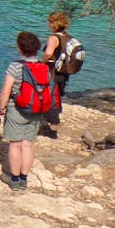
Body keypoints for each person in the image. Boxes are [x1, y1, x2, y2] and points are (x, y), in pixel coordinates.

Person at [0, 31, 44, 191]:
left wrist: (1, 107)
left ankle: (15, 180)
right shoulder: (43, 66)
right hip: (37, 110)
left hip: (17, 109)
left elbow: (5, 91)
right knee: (27, 145)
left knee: (15, 145)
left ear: (20, 48)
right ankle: (24, 179)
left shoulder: (15, 66)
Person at [42, 11, 72, 139]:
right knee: (57, 96)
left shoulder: (54, 38)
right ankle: (51, 124)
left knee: (50, 97)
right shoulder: (68, 38)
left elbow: (49, 53)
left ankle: (53, 128)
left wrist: (42, 61)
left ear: (53, 24)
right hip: (63, 72)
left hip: (53, 71)